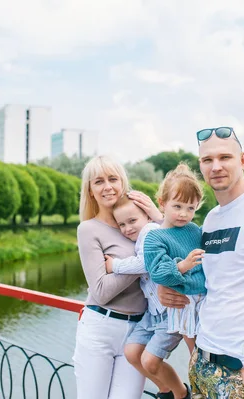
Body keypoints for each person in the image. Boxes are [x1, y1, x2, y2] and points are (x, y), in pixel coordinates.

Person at [158, 127, 244, 398]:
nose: (216, 166)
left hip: (242, 368)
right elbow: (209, 280)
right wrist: (170, 287)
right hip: (204, 359)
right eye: (207, 160)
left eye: (225, 157)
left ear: (243, 160)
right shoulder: (211, 218)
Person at [73, 155, 163, 399]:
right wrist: (145, 264)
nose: (107, 186)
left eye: (113, 179)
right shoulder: (89, 229)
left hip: (138, 330)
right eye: (98, 181)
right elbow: (101, 291)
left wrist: (157, 218)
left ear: (123, 183)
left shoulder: (142, 223)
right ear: (90, 191)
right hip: (100, 328)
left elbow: (179, 252)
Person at [103, 195, 184, 398]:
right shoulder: (140, 237)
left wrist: (116, 266)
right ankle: (166, 390)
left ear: (147, 217)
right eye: (122, 224)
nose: (127, 228)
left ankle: (181, 393)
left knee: (149, 360)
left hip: (169, 312)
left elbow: (146, 263)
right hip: (152, 312)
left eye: (132, 221)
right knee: (132, 353)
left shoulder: (150, 233)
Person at [142, 163, 208, 399]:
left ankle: (203, 389)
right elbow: (158, 272)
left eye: (190, 208)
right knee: (197, 357)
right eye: (177, 206)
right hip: (185, 300)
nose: (183, 213)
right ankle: (197, 391)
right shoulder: (155, 237)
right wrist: (182, 265)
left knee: (208, 352)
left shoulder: (195, 230)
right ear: (162, 203)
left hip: (206, 298)